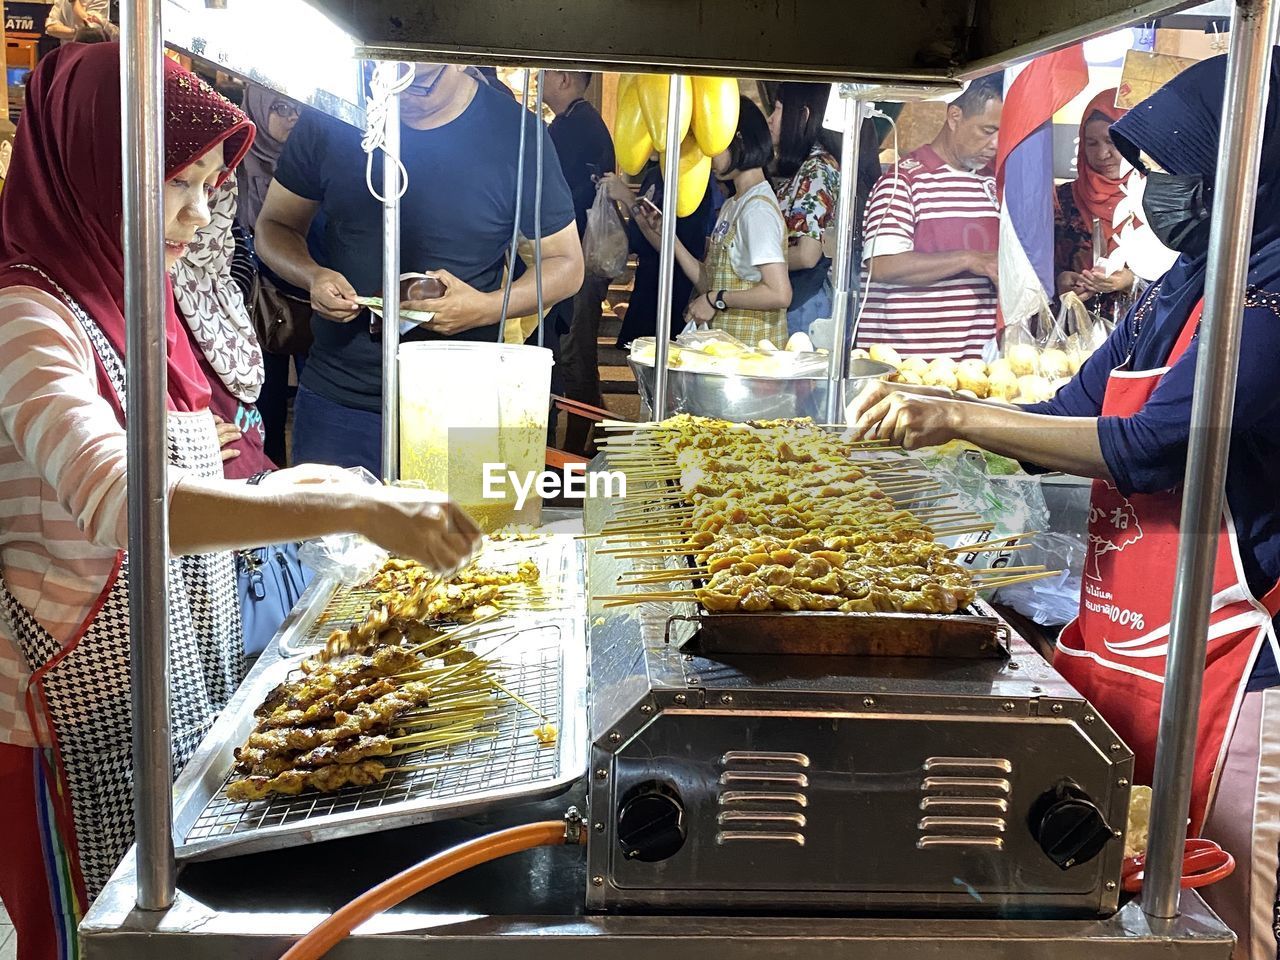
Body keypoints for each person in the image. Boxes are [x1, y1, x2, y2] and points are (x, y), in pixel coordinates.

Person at [0, 44, 480, 959]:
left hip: (154, 673)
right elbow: (121, 500)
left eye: (208, 183)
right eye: (171, 183)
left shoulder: (131, 294)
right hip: (55, 715)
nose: (194, 212)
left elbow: (184, 475)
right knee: (78, 940)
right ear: (97, 165)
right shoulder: (28, 316)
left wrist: (298, 485)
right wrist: (354, 516)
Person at [848, 52, 1280, 960]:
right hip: (1126, 649)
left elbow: (1156, 446)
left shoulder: (1269, 302)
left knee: (1228, 923)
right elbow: (1072, 408)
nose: (1148, 191)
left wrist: (960, 411)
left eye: (1168, 176)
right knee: (1121, 913)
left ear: (1235, 176)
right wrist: (946, 426)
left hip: (1231, 676)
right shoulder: (1179, 286)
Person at [255, 63, 582, 475]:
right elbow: (274, 226)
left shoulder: (515, 133)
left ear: (460, 56)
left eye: (422, 83)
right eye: (384, 76)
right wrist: (311, 274)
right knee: (329, 539)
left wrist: (484, 307)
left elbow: (566, 264)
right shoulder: (334, 112)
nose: (399, 94)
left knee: (463, 538)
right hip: (339, 398)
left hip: (463, 404)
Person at [858, 78, 1003, 360]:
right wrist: (970, 259)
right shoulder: (904, 181)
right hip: (908, 364)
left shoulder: (994, 182)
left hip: (975, 366)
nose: (995, 144)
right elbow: (883, 264)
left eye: (1002, 132)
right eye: (987, 131)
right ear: (955, 116)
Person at [633, 97, 791, 346]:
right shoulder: (735, 203)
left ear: (738, 139)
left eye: (713, 143)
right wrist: (666, 235)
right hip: (727, 356)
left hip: (749, 362)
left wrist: (715, 299)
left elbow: (779, 293)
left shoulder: (757, 209)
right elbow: (710, 280)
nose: (707, 154)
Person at [541, 70, 615, 454]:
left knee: (573, 352)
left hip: (577, 259)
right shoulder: (578, 122)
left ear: (565, 79)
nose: (538, 79)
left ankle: (573, 447)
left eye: (545, 73)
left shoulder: (574, 127)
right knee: (576, 349)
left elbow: (557, 199)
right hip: (579, 256)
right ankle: (595, 437)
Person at [236, 85, 309, 467]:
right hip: (257, 302)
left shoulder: (312, 163)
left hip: (313, 296)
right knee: (265, 400)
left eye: (299, 107)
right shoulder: (235, 162)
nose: (292, 117)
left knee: (312, 394)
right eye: (280, 107)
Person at [602, 160, 715, 348]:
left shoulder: (691, 179)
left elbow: (672, 247)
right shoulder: (653, 174)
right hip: (647, 282)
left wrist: (628, 198)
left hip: (674, 288)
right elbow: (638, 230)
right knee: (640, 354)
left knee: (664, 356)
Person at [1054, 88, 1137, 317]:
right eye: (1091, 143)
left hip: (1140, 334)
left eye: (1112, 142)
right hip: (1074, 337)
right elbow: (1038, 264)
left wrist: (1131, 279)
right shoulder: (1061, 200)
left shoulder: (1153, 200)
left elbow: (1182, 271)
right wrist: (1061, 279)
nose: (1102, 154)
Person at [768, 81, 842, 336]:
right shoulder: (807, 168)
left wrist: (754, 261)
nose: (770, 119)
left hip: (805, 305)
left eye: (777, 109)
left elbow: (807, 255)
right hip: (800, 300)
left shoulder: (817, 170)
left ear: (804, 115)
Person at [44, 0, 112, 43]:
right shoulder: (62, 1)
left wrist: (74, 2)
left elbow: (92, 30)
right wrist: (76, 33)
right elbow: (50, 28)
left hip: (90, 53)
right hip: (67, 54)